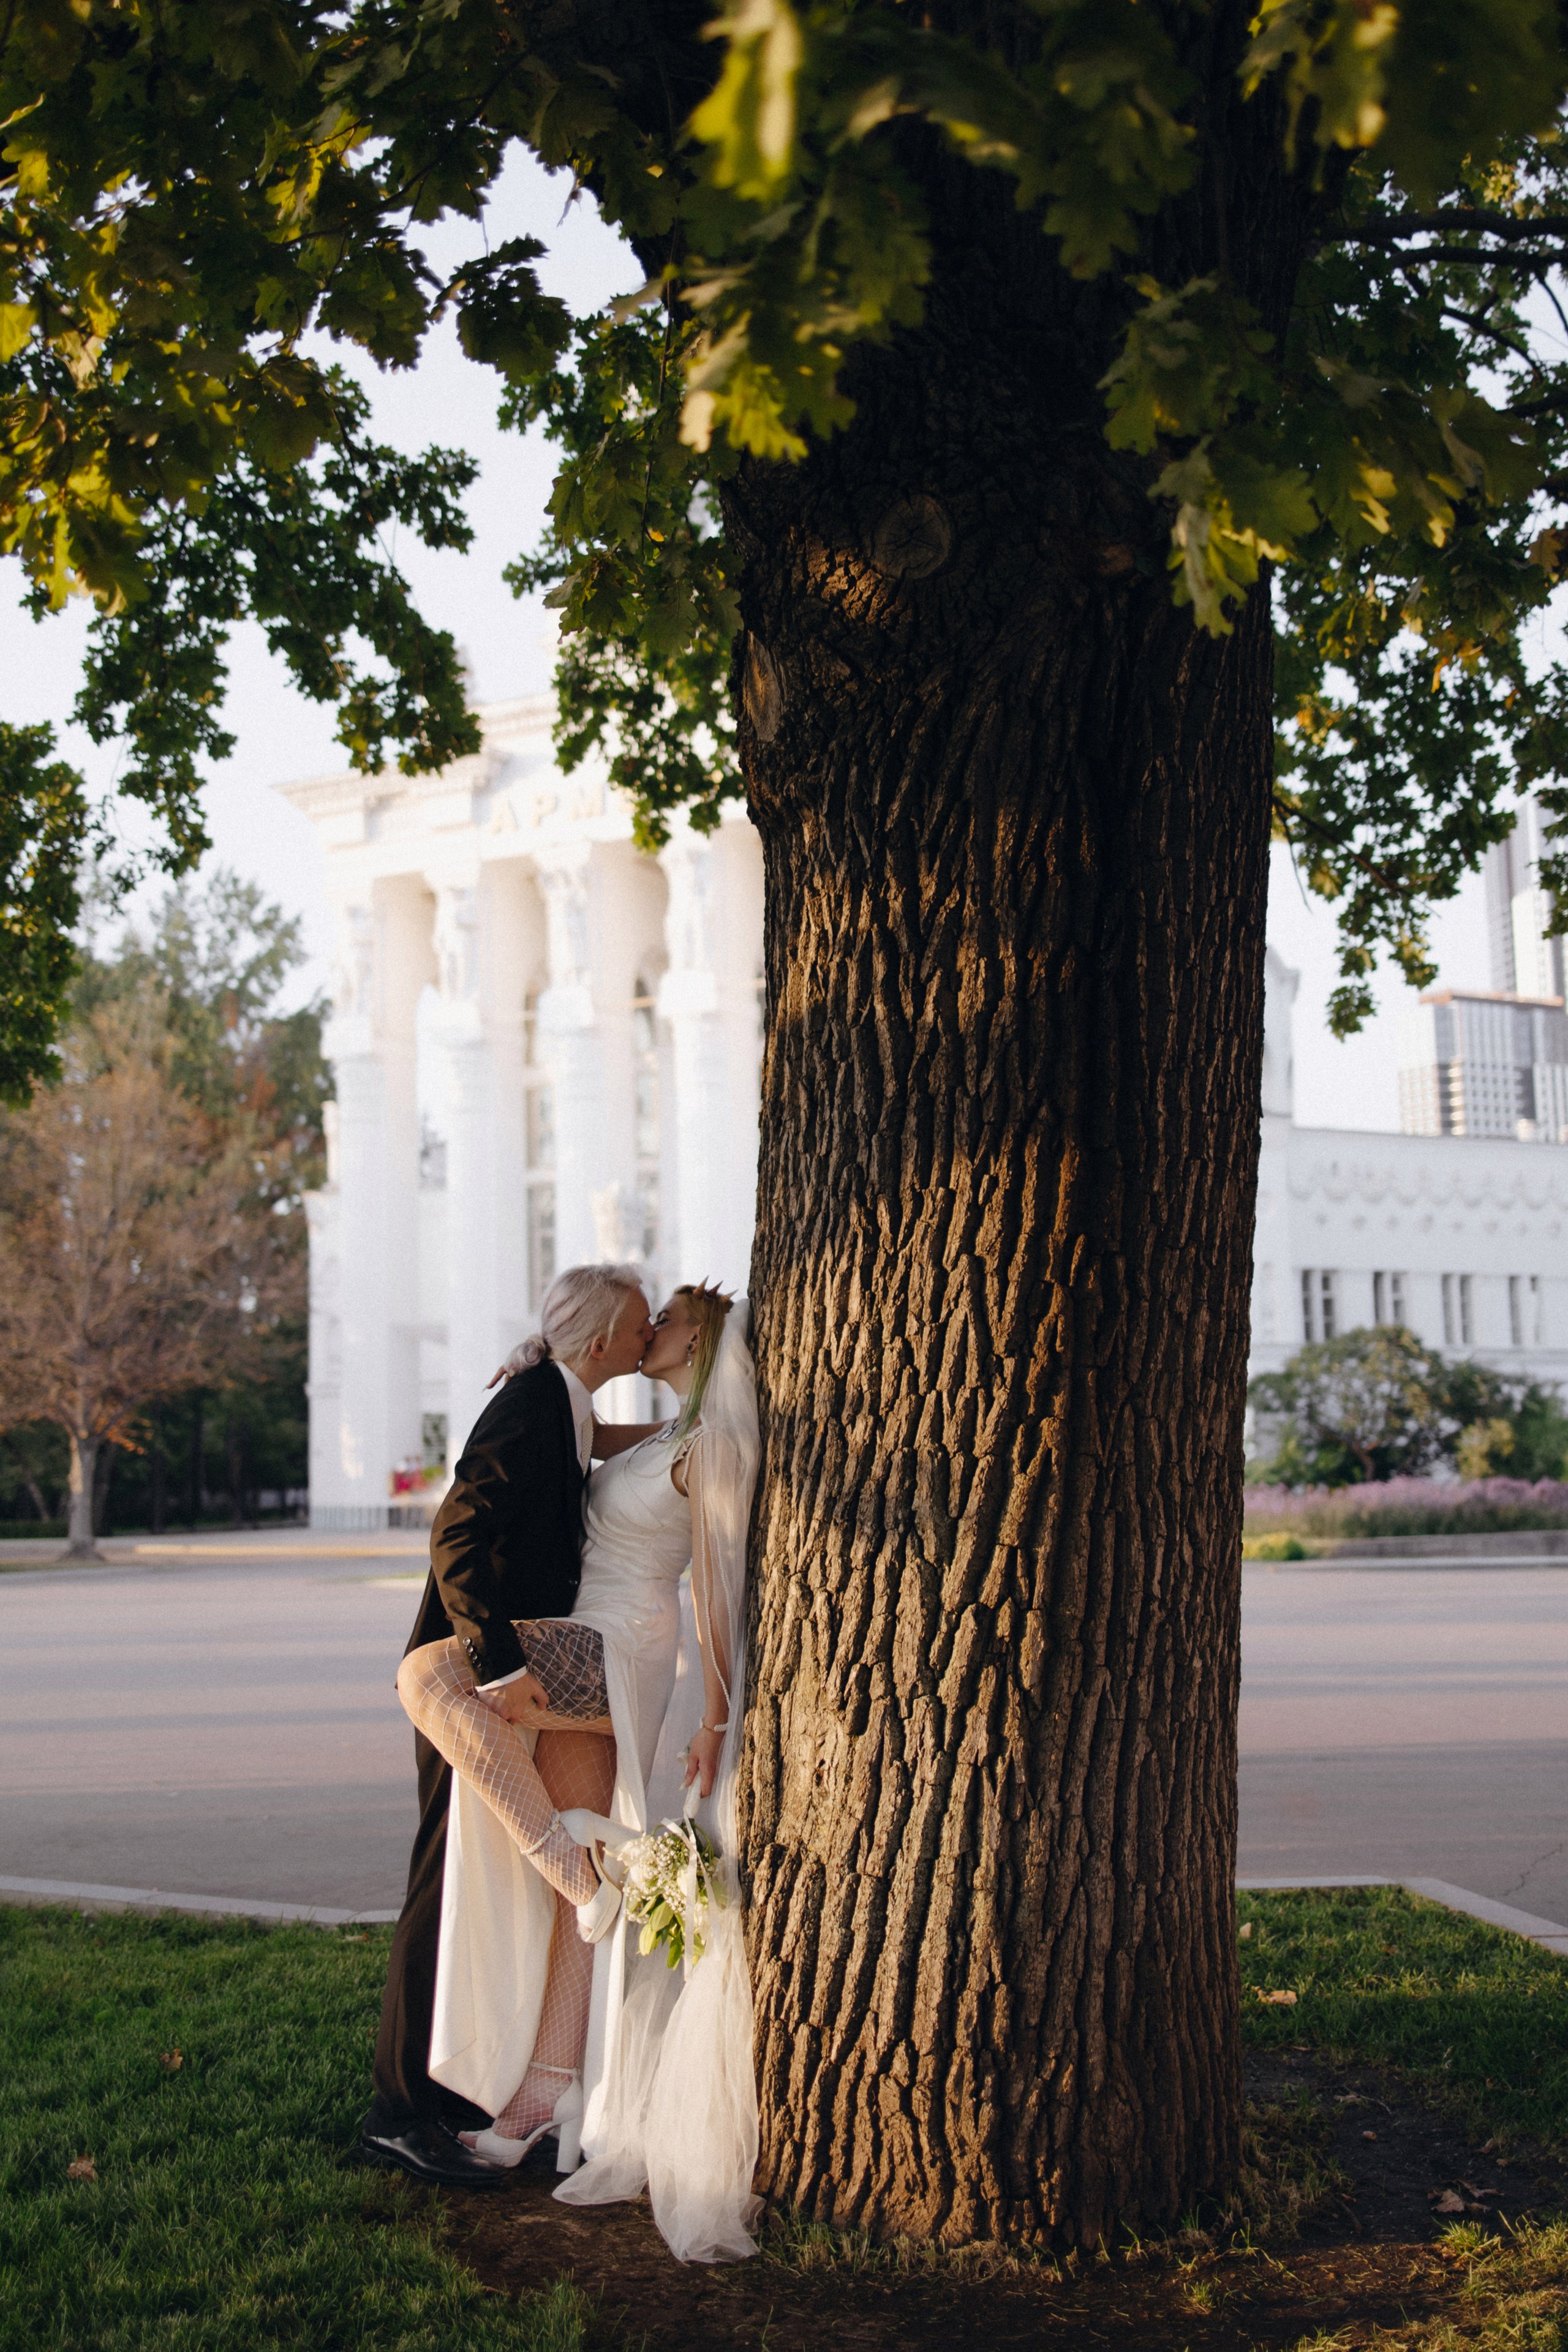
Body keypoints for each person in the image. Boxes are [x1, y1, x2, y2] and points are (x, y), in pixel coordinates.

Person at [396, 1283, 762, 2261]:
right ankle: (538, 2105)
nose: (654, 1330)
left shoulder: (710, 1450)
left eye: (669, 1319)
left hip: (621, 1645)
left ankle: (563, 1861)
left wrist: (717, 1718)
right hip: (578, 1631)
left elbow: (720, 1587)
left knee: (434, 1672)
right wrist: (545, 1357)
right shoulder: (652, 1434)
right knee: (582, 1898)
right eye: (644, 1319)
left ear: (700, 1338)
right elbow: (581, 1426)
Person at [357, 1261, 654, 2190]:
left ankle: (460, 2091)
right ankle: (402, 2113)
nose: (648, 1342)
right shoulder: (529, 1402)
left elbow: (602, 1439)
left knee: (471, 1885)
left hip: (514, 1669)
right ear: (602, 1339)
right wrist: (500, 1669)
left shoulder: (561, 1399)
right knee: (440, 1881)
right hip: (478, 1678)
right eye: (642, 1328)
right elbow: (457, 1535)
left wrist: (695, 1423)